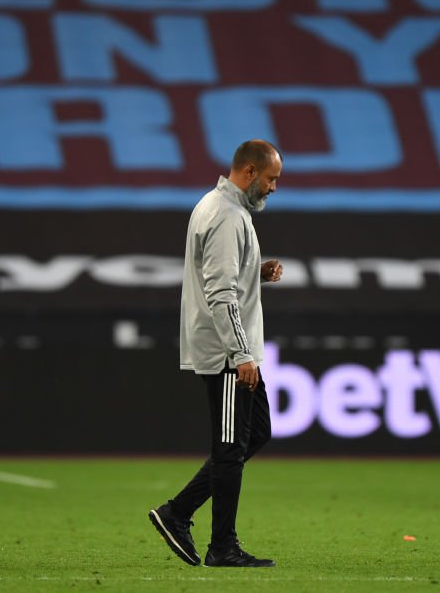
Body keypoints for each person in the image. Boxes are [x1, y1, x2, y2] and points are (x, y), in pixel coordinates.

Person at [149, 140, 283, 568]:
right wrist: (240, 353)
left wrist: (256, 273)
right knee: (229, 448)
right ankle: (221, 545)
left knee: (255, 433)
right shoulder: (226, 215)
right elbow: (220, 292)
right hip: (227, 353)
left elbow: (224, 276)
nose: (274, 188)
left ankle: (178, 512)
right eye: (271, 179)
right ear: (249, 172)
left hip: (232, 349)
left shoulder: (222, 207)